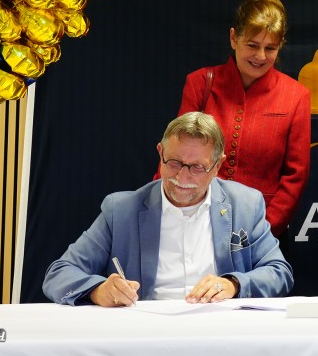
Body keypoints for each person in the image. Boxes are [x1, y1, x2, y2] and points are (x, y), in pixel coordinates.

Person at [43, 112, 293, 306]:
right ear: (160, 153)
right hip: (146, 336)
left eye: (197, 167)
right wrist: (98, 291)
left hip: (221, 331)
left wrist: (233, 284)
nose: (182, 177)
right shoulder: (120, 210)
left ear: (218, 166)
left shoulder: (245, 204)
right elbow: (59, 274)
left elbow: (279, 273)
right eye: (174, 163)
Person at [161, 0, 311, 241]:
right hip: (193, 224)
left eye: (270, 48)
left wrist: (261, 232)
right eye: (252, 45)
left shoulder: (296, 96)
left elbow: (295, 176)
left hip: (262, 230)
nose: (261, 56)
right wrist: (167, 215)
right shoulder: (200, 83)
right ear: (233, 38)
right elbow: (173, 157)